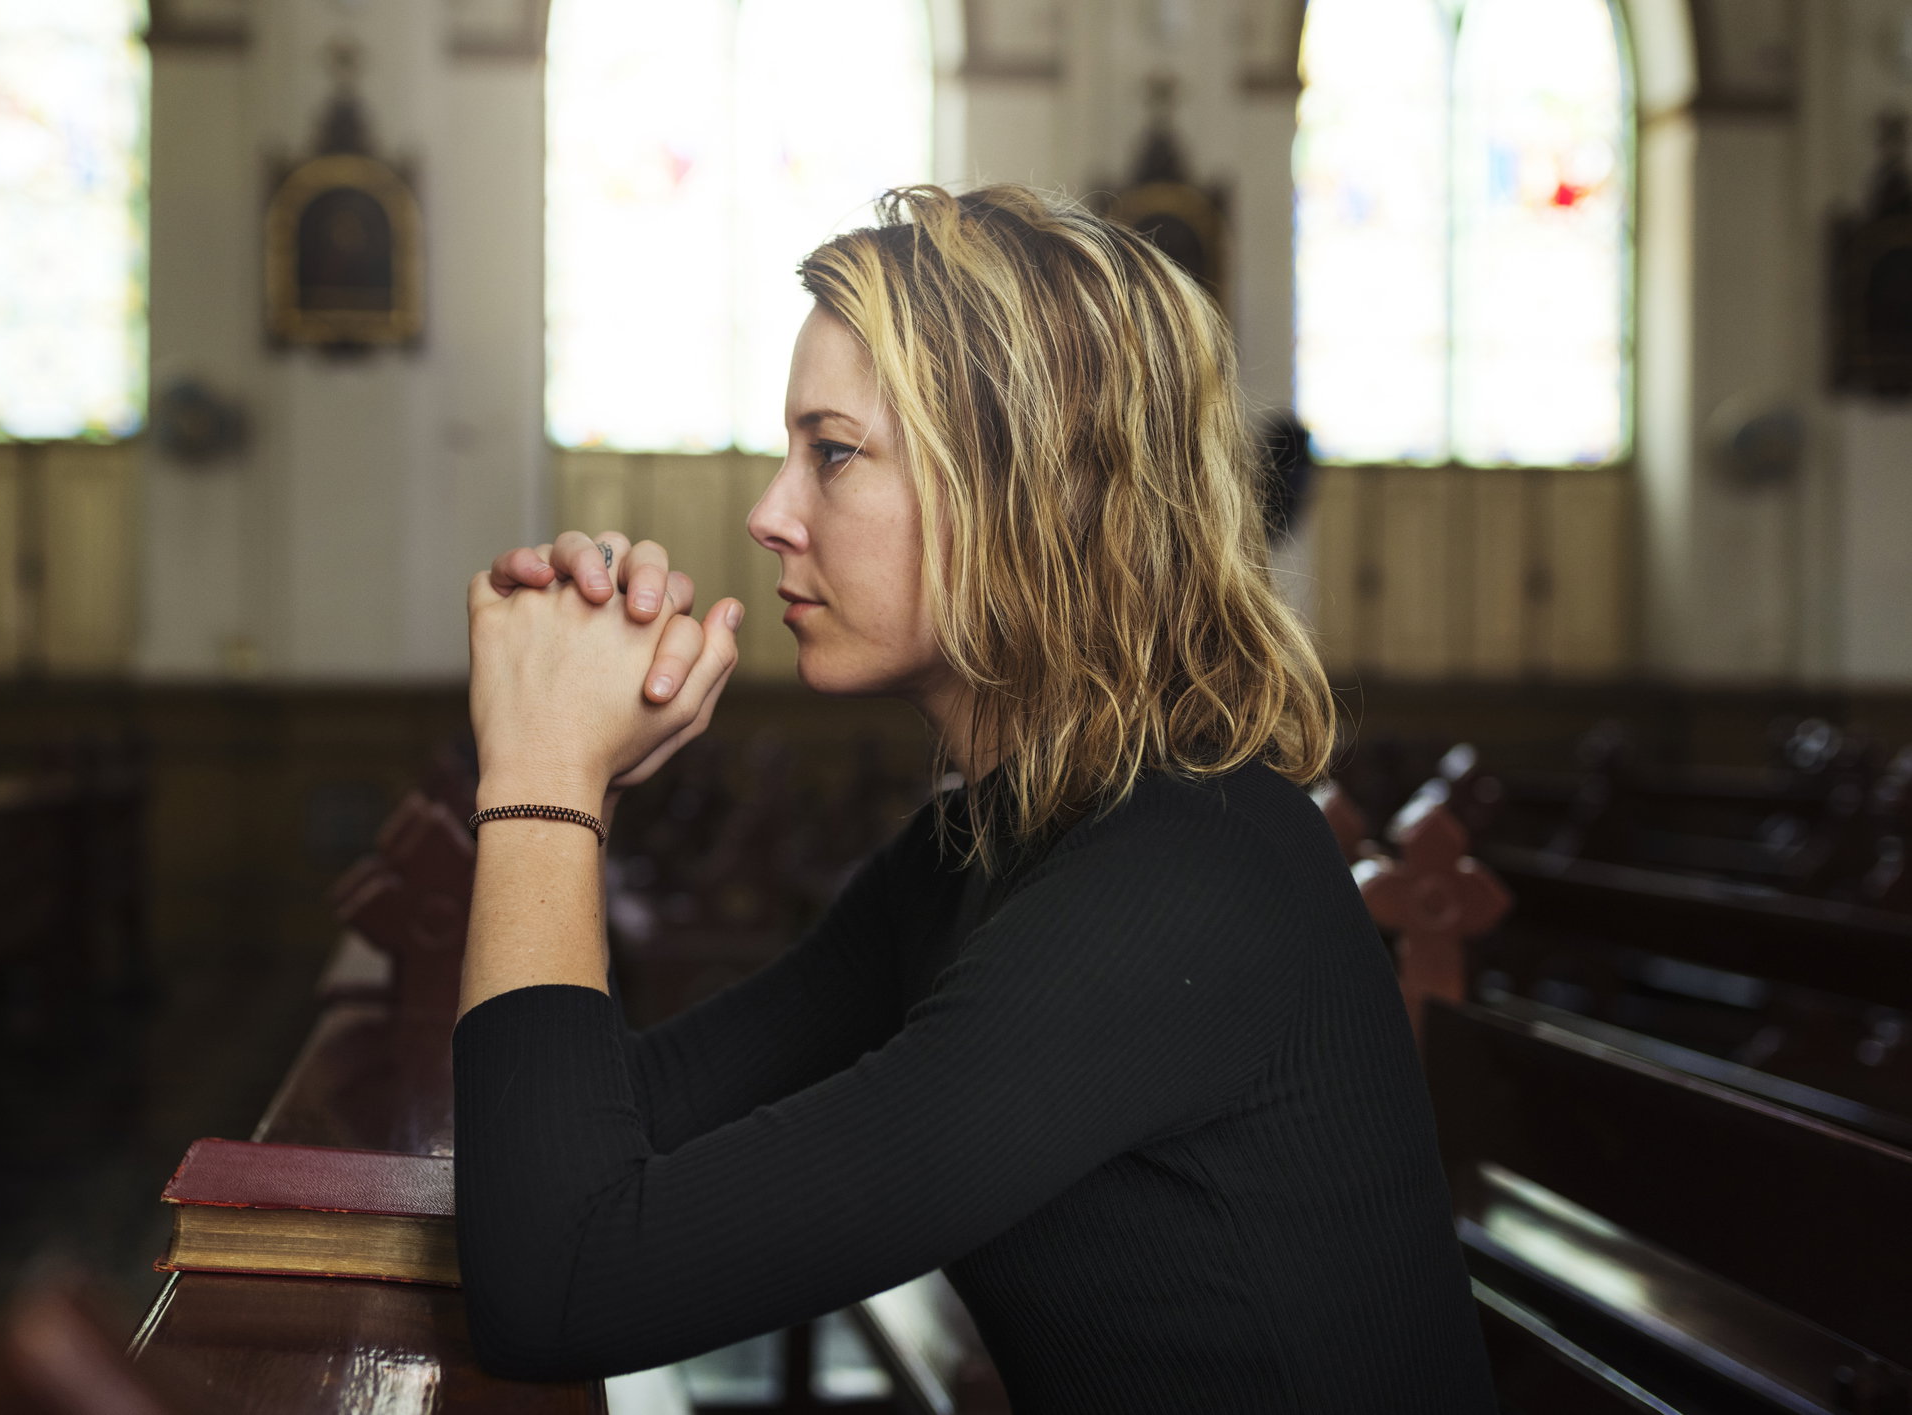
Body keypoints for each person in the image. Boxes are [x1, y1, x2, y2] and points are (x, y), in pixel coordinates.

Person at [454, 184, 1497, 1411]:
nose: (770, 512)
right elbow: (589, 1137)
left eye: (831, 452)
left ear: (1032, 489)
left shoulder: (1180, 880)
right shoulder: (984, 846)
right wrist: (582, 784)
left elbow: (561, 1286)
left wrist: (537, 781)